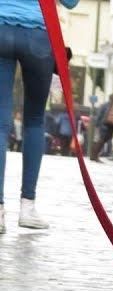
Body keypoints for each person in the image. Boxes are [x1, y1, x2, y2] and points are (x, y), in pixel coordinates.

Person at [0, 0, 79, 234]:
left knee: (0, 125)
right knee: (34, 121)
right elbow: (72, 2)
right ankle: (27, 207)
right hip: (39, 34)